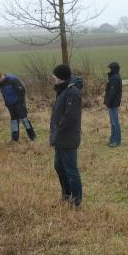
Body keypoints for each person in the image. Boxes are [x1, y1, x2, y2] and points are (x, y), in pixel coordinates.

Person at [49, 64, 83, 207]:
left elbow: (70, 117)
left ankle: (76, 200)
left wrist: (58, 130)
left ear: (61, 78)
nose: (53, 79)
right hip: (60, 138)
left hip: (67, 138)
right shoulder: (62, 90)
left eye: (55, 77)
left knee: (71, 169)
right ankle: (66, 194)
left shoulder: (72, 92)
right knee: (59, 166)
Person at [0, 71, 36, 142]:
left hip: (19, 103)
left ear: (1, 77)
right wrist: (7, 103)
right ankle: (15, 139)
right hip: (10, 105)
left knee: (24, 120)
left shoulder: (13, 79)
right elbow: (4, 95)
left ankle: (33, 137)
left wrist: (20, 104)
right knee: (14, 121)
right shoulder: (1, 84)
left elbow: (22, 92)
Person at [103, 61, 122, 147]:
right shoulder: (115, 77)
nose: (109, 70)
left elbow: (112, 92)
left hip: (113, 103)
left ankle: (116, 141)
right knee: (113, 122)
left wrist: (108, 102)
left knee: (114, 122)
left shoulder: (115, 78)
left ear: (113, 69)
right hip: (112, 103)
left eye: (110, 68)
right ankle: (113, 139)